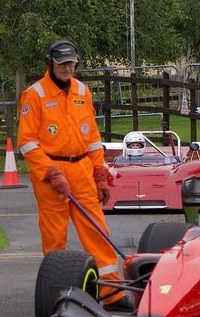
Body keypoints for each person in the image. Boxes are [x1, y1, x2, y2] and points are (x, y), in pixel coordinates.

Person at [17, 39, 123, 295]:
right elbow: (27, 142)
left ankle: (112, 293)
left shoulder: (82, 92)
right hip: (51, 173)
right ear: (51, 64)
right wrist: (51, 173)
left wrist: (99, 173)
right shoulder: (35, 94)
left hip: (82, 170)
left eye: (71, 63)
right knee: (54, 237)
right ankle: (57, 295)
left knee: (97, 230)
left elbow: (93, 138)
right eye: (62, 63)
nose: (67, 68)